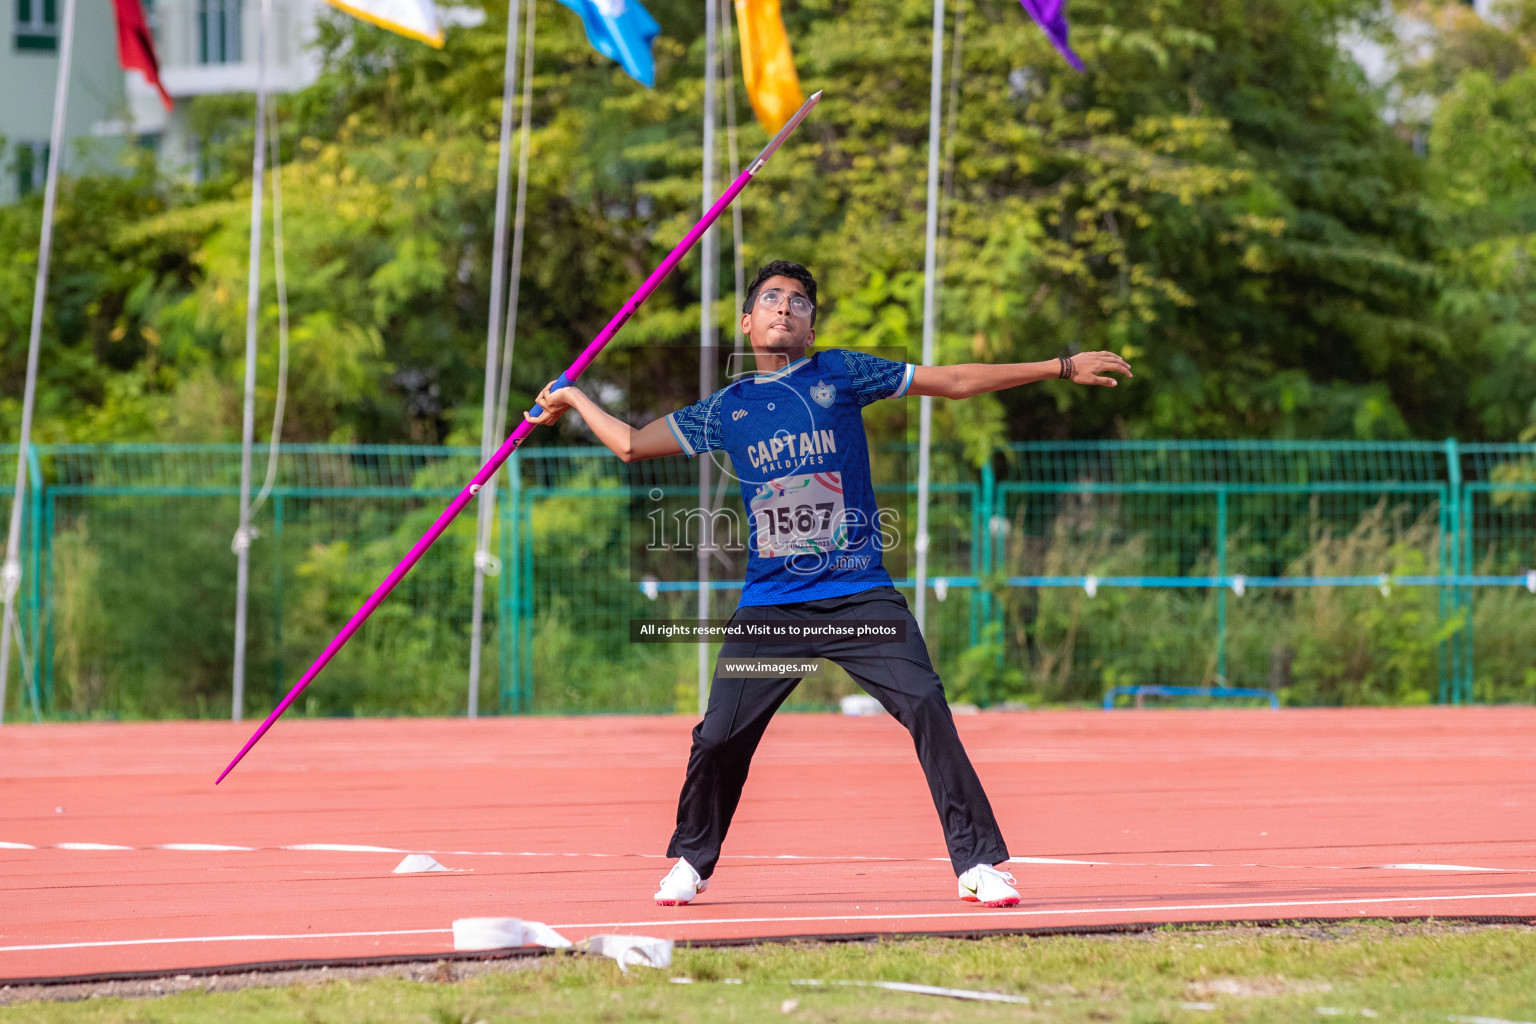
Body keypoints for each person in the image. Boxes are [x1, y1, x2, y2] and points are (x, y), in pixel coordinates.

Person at [525, 260, 1132, 907]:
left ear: (812, 327)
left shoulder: (839, 373)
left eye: (797, 303)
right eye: (770, 299)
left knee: (925, 702)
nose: (784, 309)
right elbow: (630, 445)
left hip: (857, 592)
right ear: (747, 322)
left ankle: (979, 862)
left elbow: (952, 381)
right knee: (717, 736)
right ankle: (690, 861)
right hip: (773, 605)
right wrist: (574, 396)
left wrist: (1059, 367)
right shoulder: (728, 409)